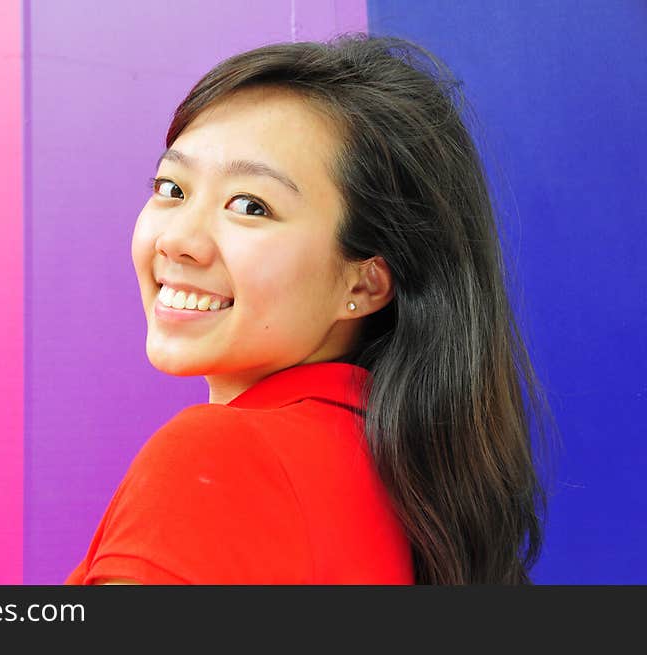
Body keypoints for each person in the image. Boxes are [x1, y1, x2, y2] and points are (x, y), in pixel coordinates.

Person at [64, 33, 555, 585]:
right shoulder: (407, 491)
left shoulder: (217, 459)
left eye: (250, 205)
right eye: (171, 188)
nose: (179, 239)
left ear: (367, 283)